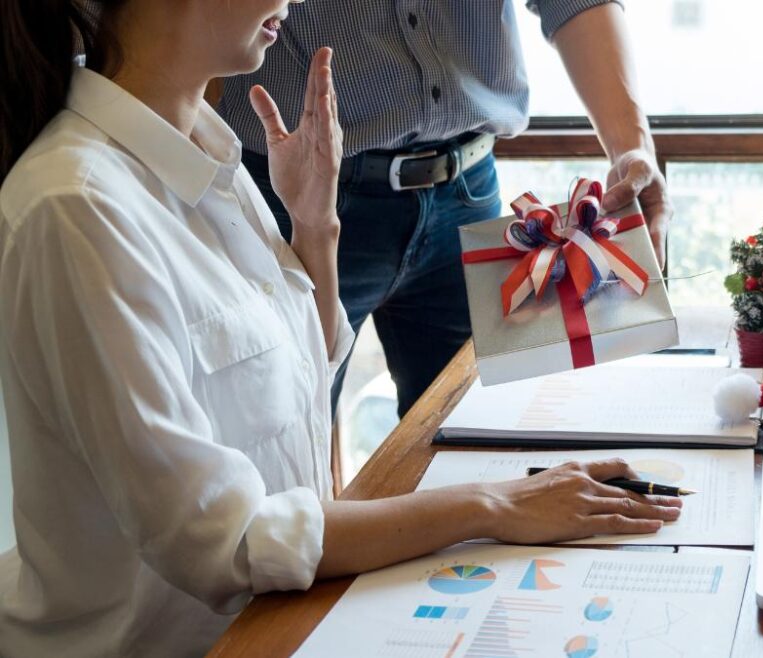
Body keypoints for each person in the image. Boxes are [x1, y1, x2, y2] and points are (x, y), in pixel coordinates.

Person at [0, 1, 682, 656]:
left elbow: (298, 381)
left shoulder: (207, 154)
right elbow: (223, 539)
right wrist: (494, 506)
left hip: (280, 618)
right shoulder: (76, 206)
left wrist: (314, 225)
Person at [218, 1, 673, 418]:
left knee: (480, 432)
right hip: (297, 193)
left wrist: (631, 147)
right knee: (285, 425)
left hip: (466, 193)